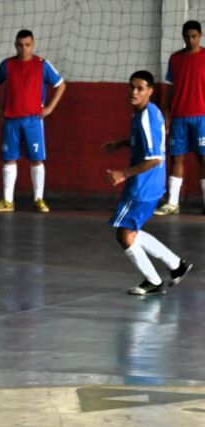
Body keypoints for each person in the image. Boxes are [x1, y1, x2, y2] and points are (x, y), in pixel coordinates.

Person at [102, 71, 193, 295]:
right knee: (132, 230)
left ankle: (153, 281)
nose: (134, 92)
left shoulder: (145, 117)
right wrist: (122, 143)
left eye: (140, 88)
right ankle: (175, 264)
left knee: (124, 234)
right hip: (150, 183)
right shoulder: (147, 111)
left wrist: (124, 173)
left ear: (150, 91)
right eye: (132, 87)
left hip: (144, 186)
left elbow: (154, 158)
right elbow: (149, 142)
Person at [0, 29, 65, 213]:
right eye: (20, 45)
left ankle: (39, 199)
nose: (24, 48)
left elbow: (61, 85)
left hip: (33, 120)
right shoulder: (7, 65)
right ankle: (7, 201)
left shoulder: (42, 64)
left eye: (27, 45)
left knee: (36, 160)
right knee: (8, 160)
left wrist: (50, 108)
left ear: (33, 44)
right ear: (15, 45)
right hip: (11, 120)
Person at [156, 20, 205, 216]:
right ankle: (173, 203)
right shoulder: (175, 59)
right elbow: (168, 87)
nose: (191, 40)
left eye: (194, 36)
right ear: (183, 37)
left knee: (203, 158)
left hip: (202, 116)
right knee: (177, 157)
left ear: (200, 36)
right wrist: (165, 112)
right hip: (179, 117)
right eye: (187, 36)